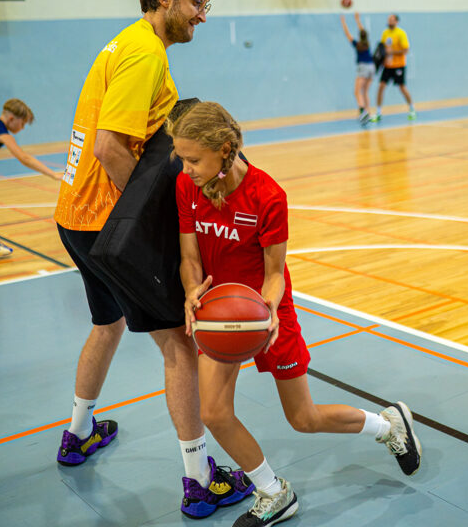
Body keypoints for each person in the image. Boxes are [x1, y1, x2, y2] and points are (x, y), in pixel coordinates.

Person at [53, 0, 254, 518]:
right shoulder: (143, 54)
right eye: (196, 3)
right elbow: (109, 148)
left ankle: (79, 432)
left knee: (106, 322)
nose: (203, 15)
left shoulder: (127, 43)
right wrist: (150, 224)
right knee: (179, 345)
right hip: (104, 222)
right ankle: (199, 477)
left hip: (73, 216)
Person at [171, 102, 422, 527]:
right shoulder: (185, 186)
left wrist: (268, 310)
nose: (185, 166)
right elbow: (189, 255)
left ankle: (388, 425)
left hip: (266, 312)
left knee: (303, 419)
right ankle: (274, 492)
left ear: (225, 150)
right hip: (219, 315)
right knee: (213, 412)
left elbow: (274, 275)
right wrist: (191, 289)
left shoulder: (268, 196)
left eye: (193, 158)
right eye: (181, 156)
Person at [0, 99, 60, 259]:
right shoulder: (1, 132)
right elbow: (24, 158)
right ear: (12, 119)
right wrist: (52, 174)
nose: (23, 128)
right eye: (23, 123)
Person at [373, 14, 416, 122]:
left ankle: (412, 109)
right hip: (387, 66)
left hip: (399, 65)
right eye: (389, 20)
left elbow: (406, 50)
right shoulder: (385, 33)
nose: (390, 22)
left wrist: (392, 52)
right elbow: (382, 49)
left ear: (396, 22)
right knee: (381, 86)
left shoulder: (401, 33)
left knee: (402, 87)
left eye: (392, 20)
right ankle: (378, 113)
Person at [340, 13, 376, 125]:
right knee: (365, 92)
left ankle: (362, 113)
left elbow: (347, 34)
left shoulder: (357, 44)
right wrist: (357, 20)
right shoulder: (367, 43)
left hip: (363, 67)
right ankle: (368, 113)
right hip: (372, 67)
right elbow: (362, 32)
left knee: (357, 92)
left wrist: (343, 22)